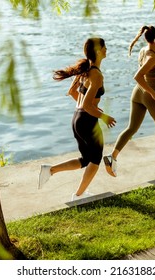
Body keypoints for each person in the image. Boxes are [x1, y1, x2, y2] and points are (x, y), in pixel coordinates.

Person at [38, 37, 116, 201]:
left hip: (77, 119)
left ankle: (50, 170)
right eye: (104, 47)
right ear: (98, 51)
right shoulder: (96, 75)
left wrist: (91, 109)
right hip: (87, 121)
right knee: (95, 160)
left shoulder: (85, 70)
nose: (106, 50)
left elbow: (73, 93)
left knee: (86, 159)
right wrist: (104, 116)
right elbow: (88, 105)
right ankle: (78, 196)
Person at [103, 25, 155, 177]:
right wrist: (154, 94)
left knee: (131, 128)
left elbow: (149, 67)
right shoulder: (152, 57)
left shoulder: (145, 51)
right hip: (150, 95)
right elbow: (138, 76)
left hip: (137, 93)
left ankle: (112, 157)